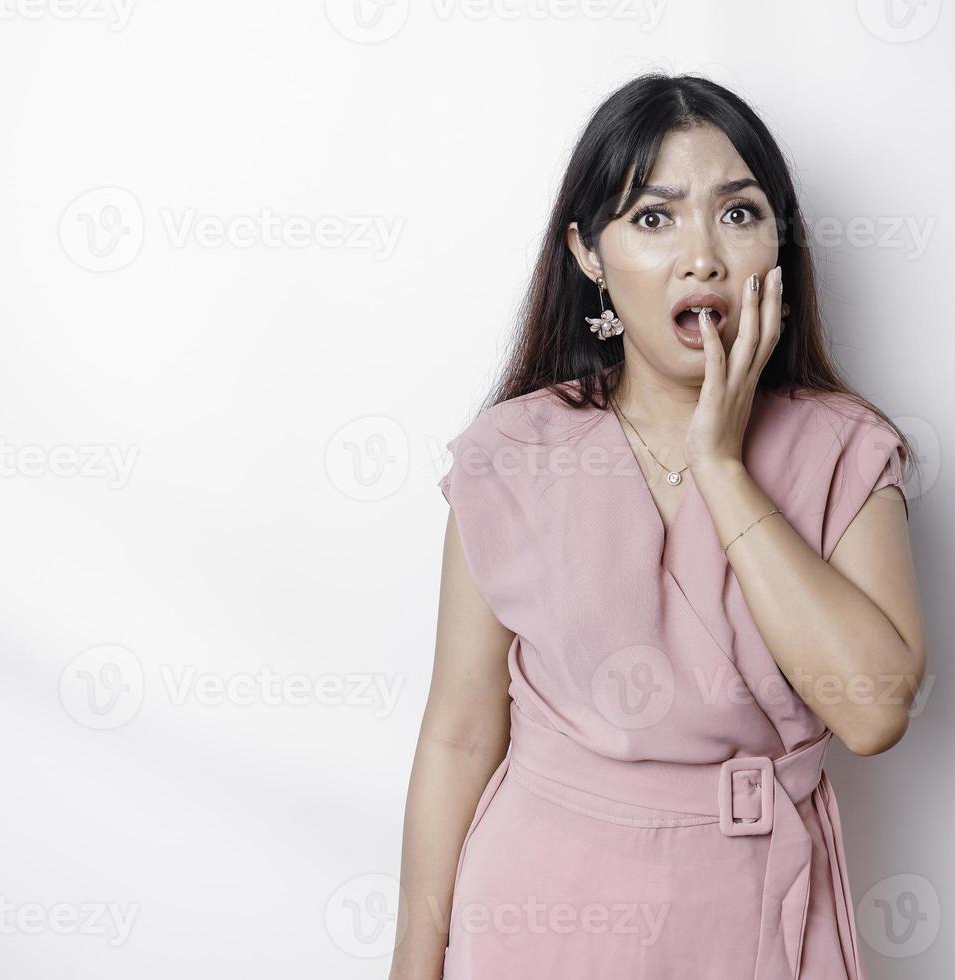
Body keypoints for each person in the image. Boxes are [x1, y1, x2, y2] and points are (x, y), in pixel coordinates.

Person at [389, 72, 927, 980]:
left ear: (779, 244)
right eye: (653, 216)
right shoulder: (514, 453)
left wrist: (721, 465)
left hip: (752, 910)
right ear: (587, 252)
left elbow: (873, 712)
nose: (703, 256)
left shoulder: (846, 450)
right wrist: (414, 961)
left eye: (740, 212)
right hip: (540, 910)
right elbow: (458, 732)